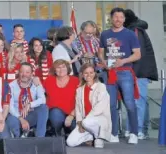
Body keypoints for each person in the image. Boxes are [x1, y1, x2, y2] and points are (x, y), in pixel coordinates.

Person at [98, 7, 142, 144]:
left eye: (121, 17)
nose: (118, 19)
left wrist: (123, 61)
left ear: (124, 19)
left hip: (125, 72)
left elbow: (137, 54)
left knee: (129, 103)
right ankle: (114, 133)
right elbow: (100, 51)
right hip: (109, 72)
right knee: (111, 105)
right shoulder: (105, 34)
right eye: (115, 17)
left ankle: (134, 133)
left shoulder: (130, 34)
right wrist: (103, 62)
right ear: (111, 18)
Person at [125, 9, 157, 140]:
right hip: (141, 71)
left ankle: (137, 130)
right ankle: (139, 129)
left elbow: (138, 54)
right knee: (138, 101)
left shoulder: (134, 31)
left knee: (137, 101)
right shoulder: (137, 29)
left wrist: (133, 71)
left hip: (138, 71)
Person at [66, 64, 111, 148]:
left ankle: (99, 137)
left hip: (98, 120)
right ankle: (90, 136)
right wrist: (79, 123)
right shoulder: (79, 90)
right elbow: (78, 109)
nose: (89, 75)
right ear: (82, 75)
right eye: (86, 73)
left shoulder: (101, 87)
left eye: (91, 72)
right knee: (70, 142)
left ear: (94, 74)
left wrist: (84, 122)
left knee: (87, 122)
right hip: (85, 123)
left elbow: (99, 108)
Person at [6, 63, 48, 138]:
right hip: (17, 116)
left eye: (27, 72)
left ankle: (40, 138)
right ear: (18, 72)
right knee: (11, 120)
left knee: (43, 108)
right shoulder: (11, 85)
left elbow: (43, 99)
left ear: (32, 74)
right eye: (22, 71)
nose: (24, 74)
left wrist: (29, 104)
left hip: (31, 114)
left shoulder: (36, 83)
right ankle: (18, 139)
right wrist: (21, 119)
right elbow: (10, 107)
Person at [43, 60, 79, 137]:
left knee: (75, 128)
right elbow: (39, 92)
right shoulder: (49, 80)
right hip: (55, 113)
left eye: (63, 67)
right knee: (56, 115)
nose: (61, 69)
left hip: (72, 113)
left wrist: (72, 115)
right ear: (54, 70)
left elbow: (81, 101)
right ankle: (57, 132)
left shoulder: (76, 81)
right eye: (58, 67)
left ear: (67, 68)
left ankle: (67, 131)